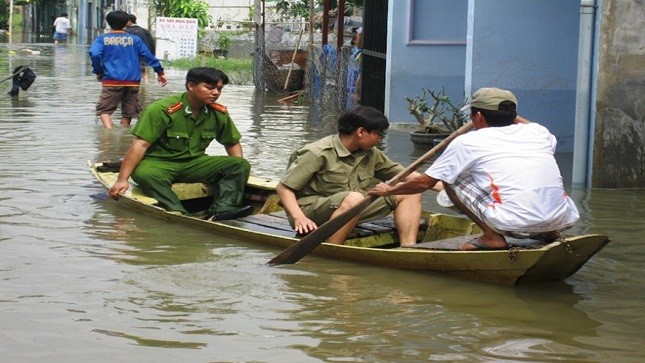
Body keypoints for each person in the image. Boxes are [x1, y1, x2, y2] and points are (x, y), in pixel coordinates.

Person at [370, 87, 580, 251]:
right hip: (564, 217)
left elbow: (426, 183)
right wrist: (507, 114)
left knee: (451, 179)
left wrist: (388, 191)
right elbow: (527, 124)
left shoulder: (468, 142)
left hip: (512, 221)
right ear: (512, 114)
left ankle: (491, 237)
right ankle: (549, 233)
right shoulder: (538, 132)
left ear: (478, 117)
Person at [108, 67, 253, 221]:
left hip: (194, 163)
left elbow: (232, 143)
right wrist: (122, 180)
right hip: (158, 164)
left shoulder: (218, 113)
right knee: (145, 174)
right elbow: (140, 145)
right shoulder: (161, 109)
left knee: (240, 165)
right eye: (210, 88)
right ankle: (179, 212)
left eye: (219, 89)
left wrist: (242, 174)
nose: (216, 93)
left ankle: (223, 210)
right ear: (191, 86)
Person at [276, 105, 425, 246]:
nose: (380, 140)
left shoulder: (371, 153)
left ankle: (408, 246)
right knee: (354, 198)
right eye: (378, 135)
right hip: (311, 214)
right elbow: (283, 188)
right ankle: (332, 249)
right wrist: (299, 218)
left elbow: (405, 175)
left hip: (351, 209)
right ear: (361, 132)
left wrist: (436, 183)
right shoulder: (317, 152)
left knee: (409, 191)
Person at [88, 10, 168, 128]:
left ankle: (108, 132)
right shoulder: (135, 40)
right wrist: (160, 72)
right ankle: (123, 133)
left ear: (109, 23)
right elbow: (148, 56)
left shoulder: (102, 39)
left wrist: (99, 71)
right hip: (133, 81)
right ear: (127, 23)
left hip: (112, 80)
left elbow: (94, 54)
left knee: (104, 110)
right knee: (129, 111)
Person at [125, 13, 156, 83]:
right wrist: (152, 56)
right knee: (143, 72)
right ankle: (146, 86)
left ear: (129, 21)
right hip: (144, 57)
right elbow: (152, 44)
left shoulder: (125, 32)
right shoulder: (145, 31)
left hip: (130, 57)